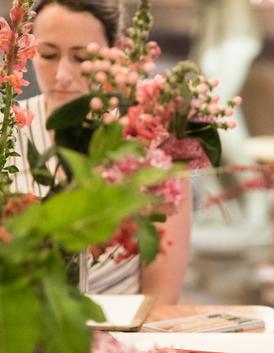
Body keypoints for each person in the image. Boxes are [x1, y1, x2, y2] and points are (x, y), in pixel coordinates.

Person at [9, 0, 191, 303]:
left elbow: (161, 297)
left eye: (82, 58)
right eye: (49, 54)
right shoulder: (8, 130)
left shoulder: (151, 144)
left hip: (122, 334)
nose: (63, 75)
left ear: (117, 53)